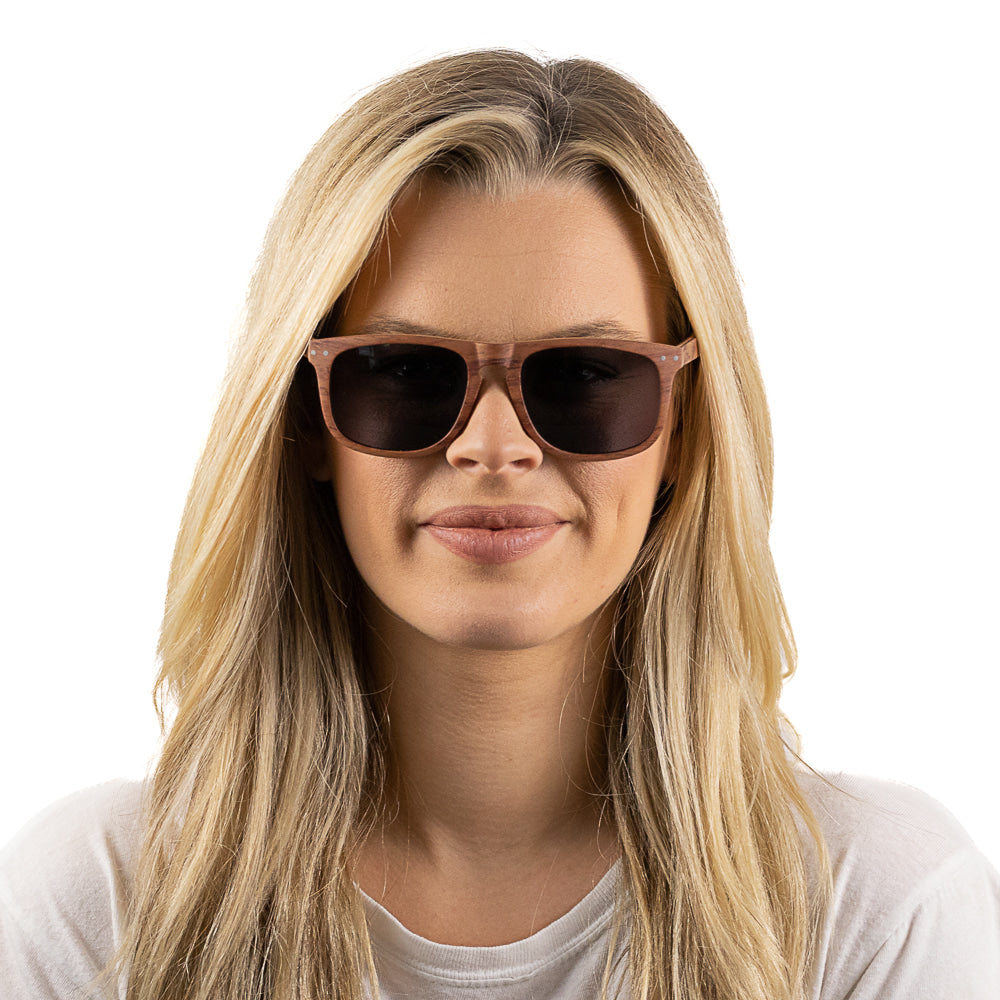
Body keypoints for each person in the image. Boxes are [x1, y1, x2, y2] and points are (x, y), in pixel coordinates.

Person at [1, 49, 997, 1000]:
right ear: (304, 418)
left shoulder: (878, 908)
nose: (493, 446)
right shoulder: (95, 907)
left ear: (684, 427)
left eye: (584, 376)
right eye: (404, 372)